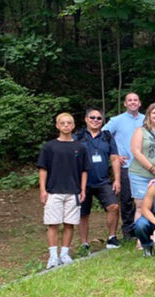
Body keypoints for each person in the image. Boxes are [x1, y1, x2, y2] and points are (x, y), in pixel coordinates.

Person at [37, 113, 89, 268]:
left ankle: (64, 253)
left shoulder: (80, 147)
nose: (66, 125)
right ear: (57, 126)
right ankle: (53, 256)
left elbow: (84, 170)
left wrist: (83, 189)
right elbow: (43, 169)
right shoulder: (50, 147)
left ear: (73, 126)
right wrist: (42, 190)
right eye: (63, 123)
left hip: (73, 191)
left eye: (69, 123)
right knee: (53, 224)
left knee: (69, 223)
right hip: (54, 191)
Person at [74, 108, 121, 254]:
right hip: (82, 182)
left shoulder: (107, 137)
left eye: (99, 118)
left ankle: (112, 237)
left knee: (113, 206)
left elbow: (114, 158)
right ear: (86, 119)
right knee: (83, 213)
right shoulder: (78, 136)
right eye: (92, 117)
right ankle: (84, 244)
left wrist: (117, 179)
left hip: (102, 180)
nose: (95, 120)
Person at [103, 92, 144, 237]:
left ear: (139, 103)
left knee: (143, 199)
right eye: (129, 100)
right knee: (127, 200)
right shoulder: (116, 120)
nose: (133, 102)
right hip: (126, 166)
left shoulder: (146, 120)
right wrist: (114, 155)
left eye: (135, 100)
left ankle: (143, 229)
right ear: (125, 104)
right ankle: (128, 232)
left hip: (143, 166)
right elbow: (102, 136)